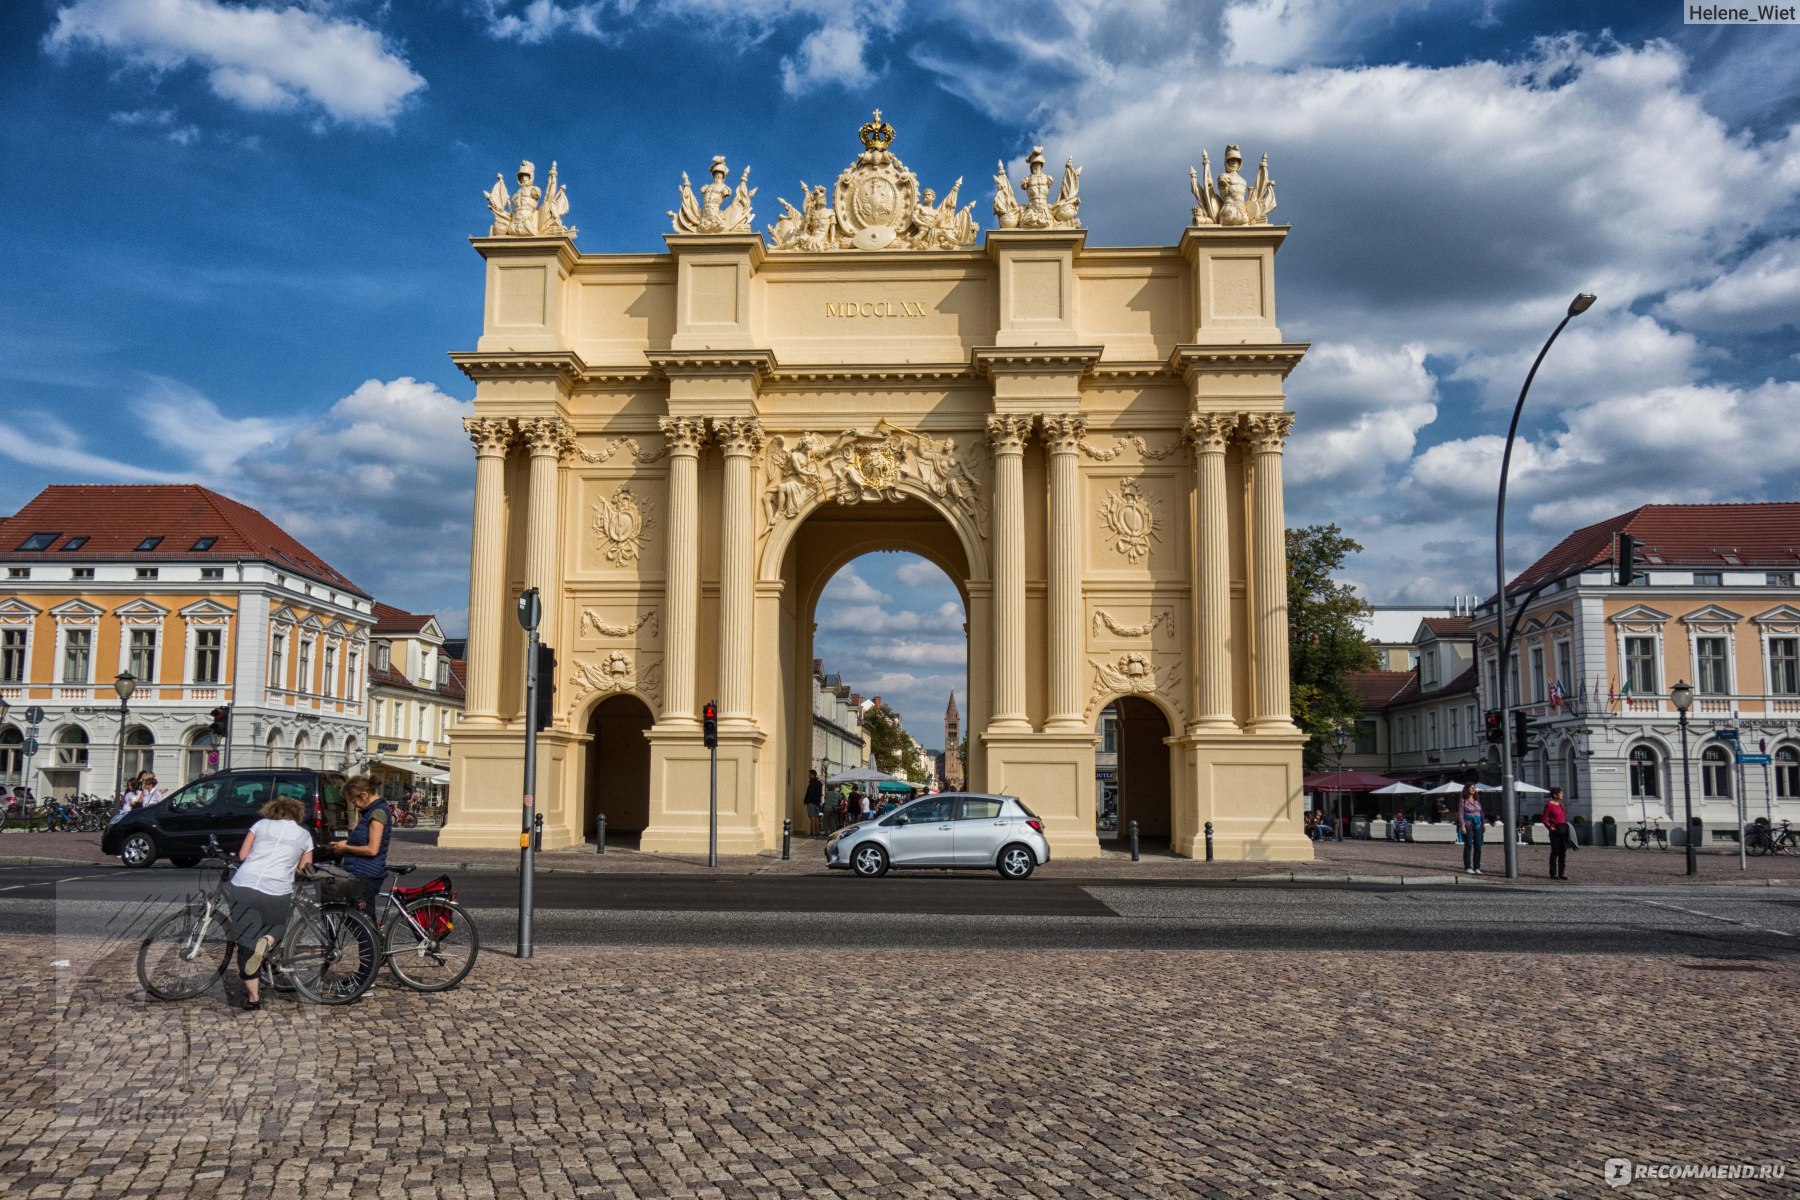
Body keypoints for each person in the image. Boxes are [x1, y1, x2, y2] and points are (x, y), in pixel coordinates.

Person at [227, 796, 314, 1011]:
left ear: (272, 811)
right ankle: (267, 940)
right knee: (278, 924)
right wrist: (291, 865)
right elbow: (305, 868)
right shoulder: (304, 835)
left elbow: (243, 854)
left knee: (246, 940)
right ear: (296, 814)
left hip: (243, 884)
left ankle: (254, 998)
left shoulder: (259, 825)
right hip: (276, 889)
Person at [329, 776, 391, 914]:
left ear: (364, 795)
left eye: (354, 801)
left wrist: (346, 848)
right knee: (362, 920)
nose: (355, 805)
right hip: (362, 873)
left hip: (367, 875)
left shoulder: (377, 813)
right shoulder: (370, 812)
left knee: (358, 921)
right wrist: (348, 843)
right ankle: (373, 936)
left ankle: (372, 936)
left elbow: (372, 849)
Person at [1542, 786, 1570, 880]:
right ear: (1555, 795)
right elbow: (1544, 819)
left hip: (1563, 830)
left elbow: (1563, 818)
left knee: (1563, 852)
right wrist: (1551, 828)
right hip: (1555, 831)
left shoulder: (1561, 805)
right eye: (1561, 793)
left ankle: (1562, 873)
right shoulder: (1549, 805)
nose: (1563, 795)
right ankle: (1553, 873)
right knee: (1555, 852)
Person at [1458, 783, 1485, 874]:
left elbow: (1481, 813)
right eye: (1471, 788)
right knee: (1468, 845)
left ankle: (1477, 867)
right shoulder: (1463, 800)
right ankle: (1468, 867)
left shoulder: (1477, 800)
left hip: (1477, 824)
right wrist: (1462, 826)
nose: (1473, 789)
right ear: (1467, 789)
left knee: (1478, 845)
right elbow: (1461, 814)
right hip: (1468, 824)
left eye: (1474, 788)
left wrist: (1483, 824)